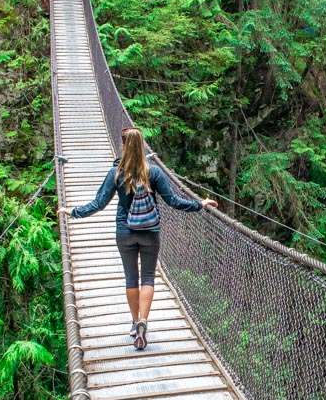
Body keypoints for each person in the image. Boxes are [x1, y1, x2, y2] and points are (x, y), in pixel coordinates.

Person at [70, 128, 217, 350]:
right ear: (142, 147)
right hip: (150, 232)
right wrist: (200, 204)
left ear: (123, 146)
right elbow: (174, 201)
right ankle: (143, 322)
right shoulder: (154, 172)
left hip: (124, 232)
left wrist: (71, 212)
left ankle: (133, 322)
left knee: (131, 278)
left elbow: (98, 203)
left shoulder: (116, 173)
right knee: (148, 277)